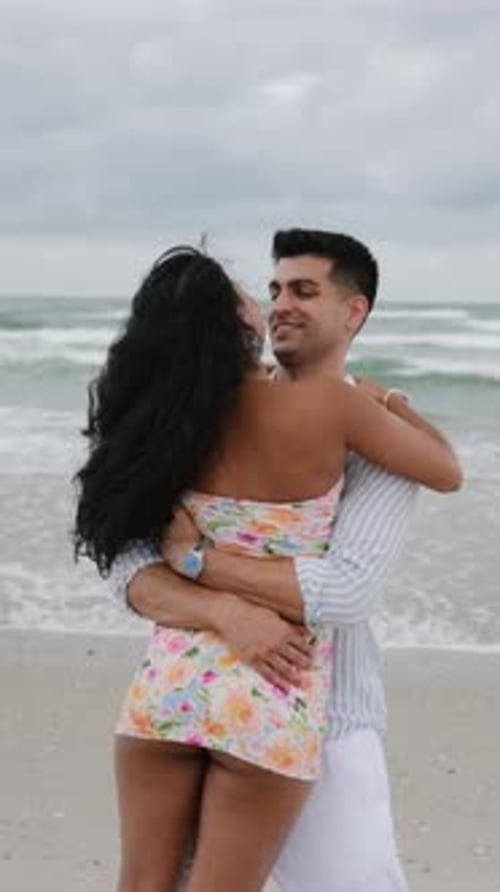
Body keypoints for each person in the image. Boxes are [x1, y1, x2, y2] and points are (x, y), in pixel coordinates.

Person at [89, 235, 462, 892]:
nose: (278, 304)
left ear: (354, 311)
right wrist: (396, 404)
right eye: (268, 293)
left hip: (170, 683)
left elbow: (345, 591)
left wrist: (197, 561)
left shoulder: (176, 426)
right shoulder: (341, 411)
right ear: (240, 325)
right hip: (275, 697)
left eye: (303, 290)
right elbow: (447, 472)